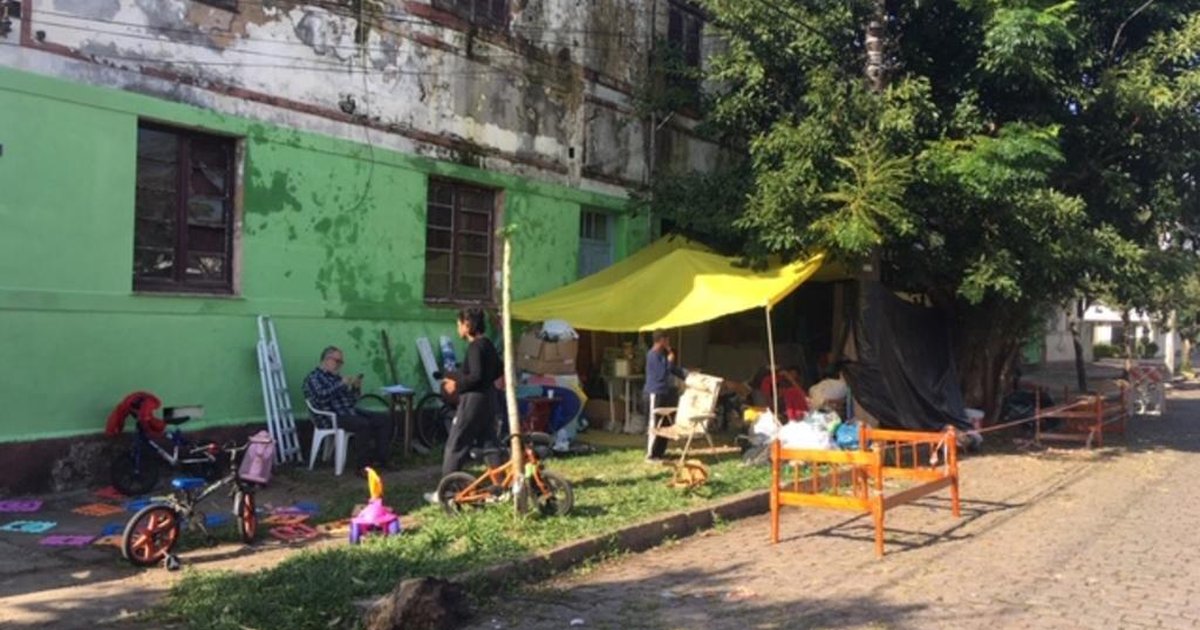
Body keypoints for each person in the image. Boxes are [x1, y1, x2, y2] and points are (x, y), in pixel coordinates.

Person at [425, 307, 502, 503]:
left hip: (472, 402)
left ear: (467, 325)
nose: (457, 328)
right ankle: (501, 489)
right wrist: (454, 375)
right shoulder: (488, 344)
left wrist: (456, 384)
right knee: (489, 444)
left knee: (455, 444)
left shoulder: (475, 346)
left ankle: (446, 492)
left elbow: (475, 376)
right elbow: (497, 370)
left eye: (459, 324)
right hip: (489, 398)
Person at [303, 346, 394, 474]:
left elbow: (351, 401)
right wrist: (341, 384)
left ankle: (381, 459)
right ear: (326, 359)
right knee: (363, 424)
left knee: (383, 419)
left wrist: (356, 388)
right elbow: (321, 398)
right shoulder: (314, 378)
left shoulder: (336, 378)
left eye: (341, 362)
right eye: (337, 361)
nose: (339, 365)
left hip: (348, 412)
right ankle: (362, 466)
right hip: (330, 416)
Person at [644, 329, 687, 462]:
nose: (669, 343)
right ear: (661, 340)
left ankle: (660, 452)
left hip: (665, 393)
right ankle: (651, 454)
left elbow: (673, 369)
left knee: (666, 423)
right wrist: (670, 360)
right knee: (655, 423)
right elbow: (661, 374)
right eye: (667, 340)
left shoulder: (663, 355)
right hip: (655, 393)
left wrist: (688, 375)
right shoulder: (652, 355)